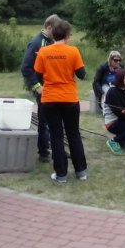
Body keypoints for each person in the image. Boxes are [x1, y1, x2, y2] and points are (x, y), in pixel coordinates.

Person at [34, 19, 87, 183]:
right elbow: (82, 74)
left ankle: (61, 174)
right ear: (67, 35)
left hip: (50, 99)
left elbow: (37, 75)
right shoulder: (73, 51)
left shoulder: (43, 52)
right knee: (73, 134)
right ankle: (81, 172)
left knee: (56, 136)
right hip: (69, 98)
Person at [21, 14, 61, 163]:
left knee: (57, 120)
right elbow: (25, 67)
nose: (58, 33)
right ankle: (43, 152)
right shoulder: (36, 42)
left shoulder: (53, 41)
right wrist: (37, 86)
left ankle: (58, 149)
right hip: (42, 88)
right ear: (49, 28)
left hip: (55, 87)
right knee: (44, 120)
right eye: (56, 30)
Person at [102, 68, 125, 155]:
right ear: (121, 79)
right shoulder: (112, 92)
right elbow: (119, 113)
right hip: (112, 122)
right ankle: (114, 141)